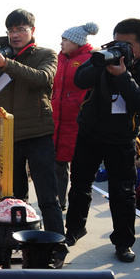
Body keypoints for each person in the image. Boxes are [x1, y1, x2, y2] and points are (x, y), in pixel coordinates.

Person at [65, 18, 140, 262]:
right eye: (118, 42)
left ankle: (123, 243)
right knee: (78, 186)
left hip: (121, 138)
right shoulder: (106, 54)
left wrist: (123, 75)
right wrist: (102, 62)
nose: (121, 48)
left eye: (127, 45)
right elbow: (80, 80)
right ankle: (74, 230)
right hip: (90, 132)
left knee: (123, 192)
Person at [0, 9, 65, 260]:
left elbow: (42, 78)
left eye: (20, 29)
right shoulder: (1, 57)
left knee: (48, 196)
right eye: (11, 31)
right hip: (9, 136)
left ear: (32, 31)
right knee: (13, 197)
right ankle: (15, 244)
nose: (15, 35)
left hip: (38, 134)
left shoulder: (45, 54)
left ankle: (56, 246)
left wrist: (7, 64)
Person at [52, 22, 98, 211]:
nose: (61, 43)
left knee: (79, 167)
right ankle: (59, 202)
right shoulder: (60, 58)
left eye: (65, 39)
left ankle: (77, 206)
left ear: (77, 42)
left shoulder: (92, 58)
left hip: (79, 120)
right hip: (58, 119)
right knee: (58, 164)